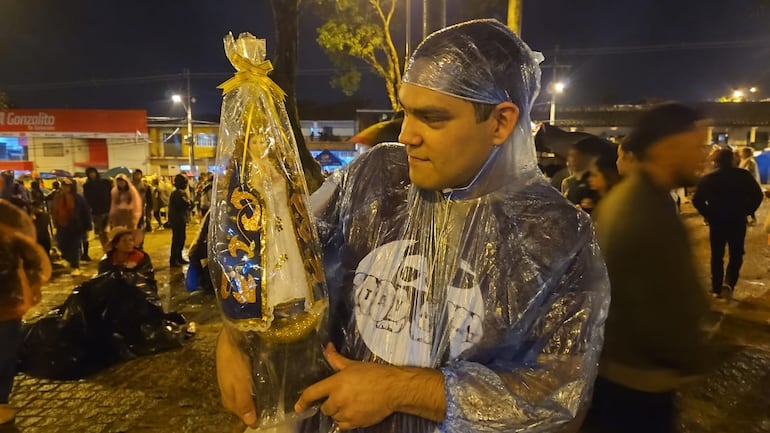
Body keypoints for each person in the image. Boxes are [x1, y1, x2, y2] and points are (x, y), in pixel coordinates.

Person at [217, 19, 609, 433]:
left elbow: (559, 398)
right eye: (406, 111)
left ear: (500, 122)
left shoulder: (556, 239)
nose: (406, 134)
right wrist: (234, 338)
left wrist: (402, 391)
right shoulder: (376, 177)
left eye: (431, 118)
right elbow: (283, 267)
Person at [589, 103, 714, 433]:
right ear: (668, 146)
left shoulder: (642, 198)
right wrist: (691, 357)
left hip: (625, 378)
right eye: (697, 146)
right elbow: (658, 310)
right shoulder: (642, 211)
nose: (704, 155)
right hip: (634, 386)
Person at [0, 198, 51, 425]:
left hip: (8, 307)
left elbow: (34, 263)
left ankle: (1, 399)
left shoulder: (14, 239)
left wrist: (32, 286)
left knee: (5, 354)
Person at [692, 148, 763, 299]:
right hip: (737, 220)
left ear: (716, 161)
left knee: (717, 255)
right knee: (736, 254)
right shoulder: (743, 176)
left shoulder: (709, 178)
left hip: (717, 222)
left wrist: (708, 214)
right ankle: (730, 283)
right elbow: (757, 195)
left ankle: (716, 287)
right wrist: (747, 210)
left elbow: (696, 200)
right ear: (733, 160)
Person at [51, 178, 92, 277]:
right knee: (62, 245)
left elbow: (85, 211)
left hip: (75, 226)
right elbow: (54, 211)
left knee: (74, 246)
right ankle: (70, 261)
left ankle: (75, 266)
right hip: (62, 226)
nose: (65, 188)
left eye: (68, 186)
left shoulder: (78, 198)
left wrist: (87, 225)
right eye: (64, 186)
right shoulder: (58, 198)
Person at [561, 136, 612, 214]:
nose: (571, 160)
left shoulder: (590, 181)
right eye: (570, 156)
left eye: (575, 156)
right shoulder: (570, 181)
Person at [83, 167, 113, 254]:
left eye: (93, 172)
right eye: (90, 173)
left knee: (108, 231)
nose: (92, 175)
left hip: (107, 210)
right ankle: (105, 249)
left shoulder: (105, 183)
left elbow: (111, 195)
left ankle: (110, 249)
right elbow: (87, 198)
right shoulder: (87, 186)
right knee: (100, 232)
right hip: (96, 212)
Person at [108, 173, 143, 248]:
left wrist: (135, 214)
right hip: (119, 213)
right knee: (119, 230)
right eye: (118, 182)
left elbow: (136, 203)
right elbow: (113, 203)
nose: (120, 184)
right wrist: (112, 214)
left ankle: (133, 245)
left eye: (122, 182)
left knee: (131, 230)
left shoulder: (131, 190)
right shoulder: (115, 191)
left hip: (129, 213)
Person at [168, 174, 191, 267]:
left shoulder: (178, 193)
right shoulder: (178, 193)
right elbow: (186, 204)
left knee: (180, 239)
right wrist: (190, 203)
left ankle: (178, 257)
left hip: (178, 219)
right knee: (178, 239)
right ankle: (174, 259)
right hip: (178, 220)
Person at [738, 146, 761, 224]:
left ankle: (751, 218)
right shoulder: (745, 160)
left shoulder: (749, 161)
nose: (740, 153)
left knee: (747, 200)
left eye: (742, 152)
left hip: (748, 185)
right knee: (746, 201)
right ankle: (748, 217)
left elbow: (746, 172)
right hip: (747, 184)